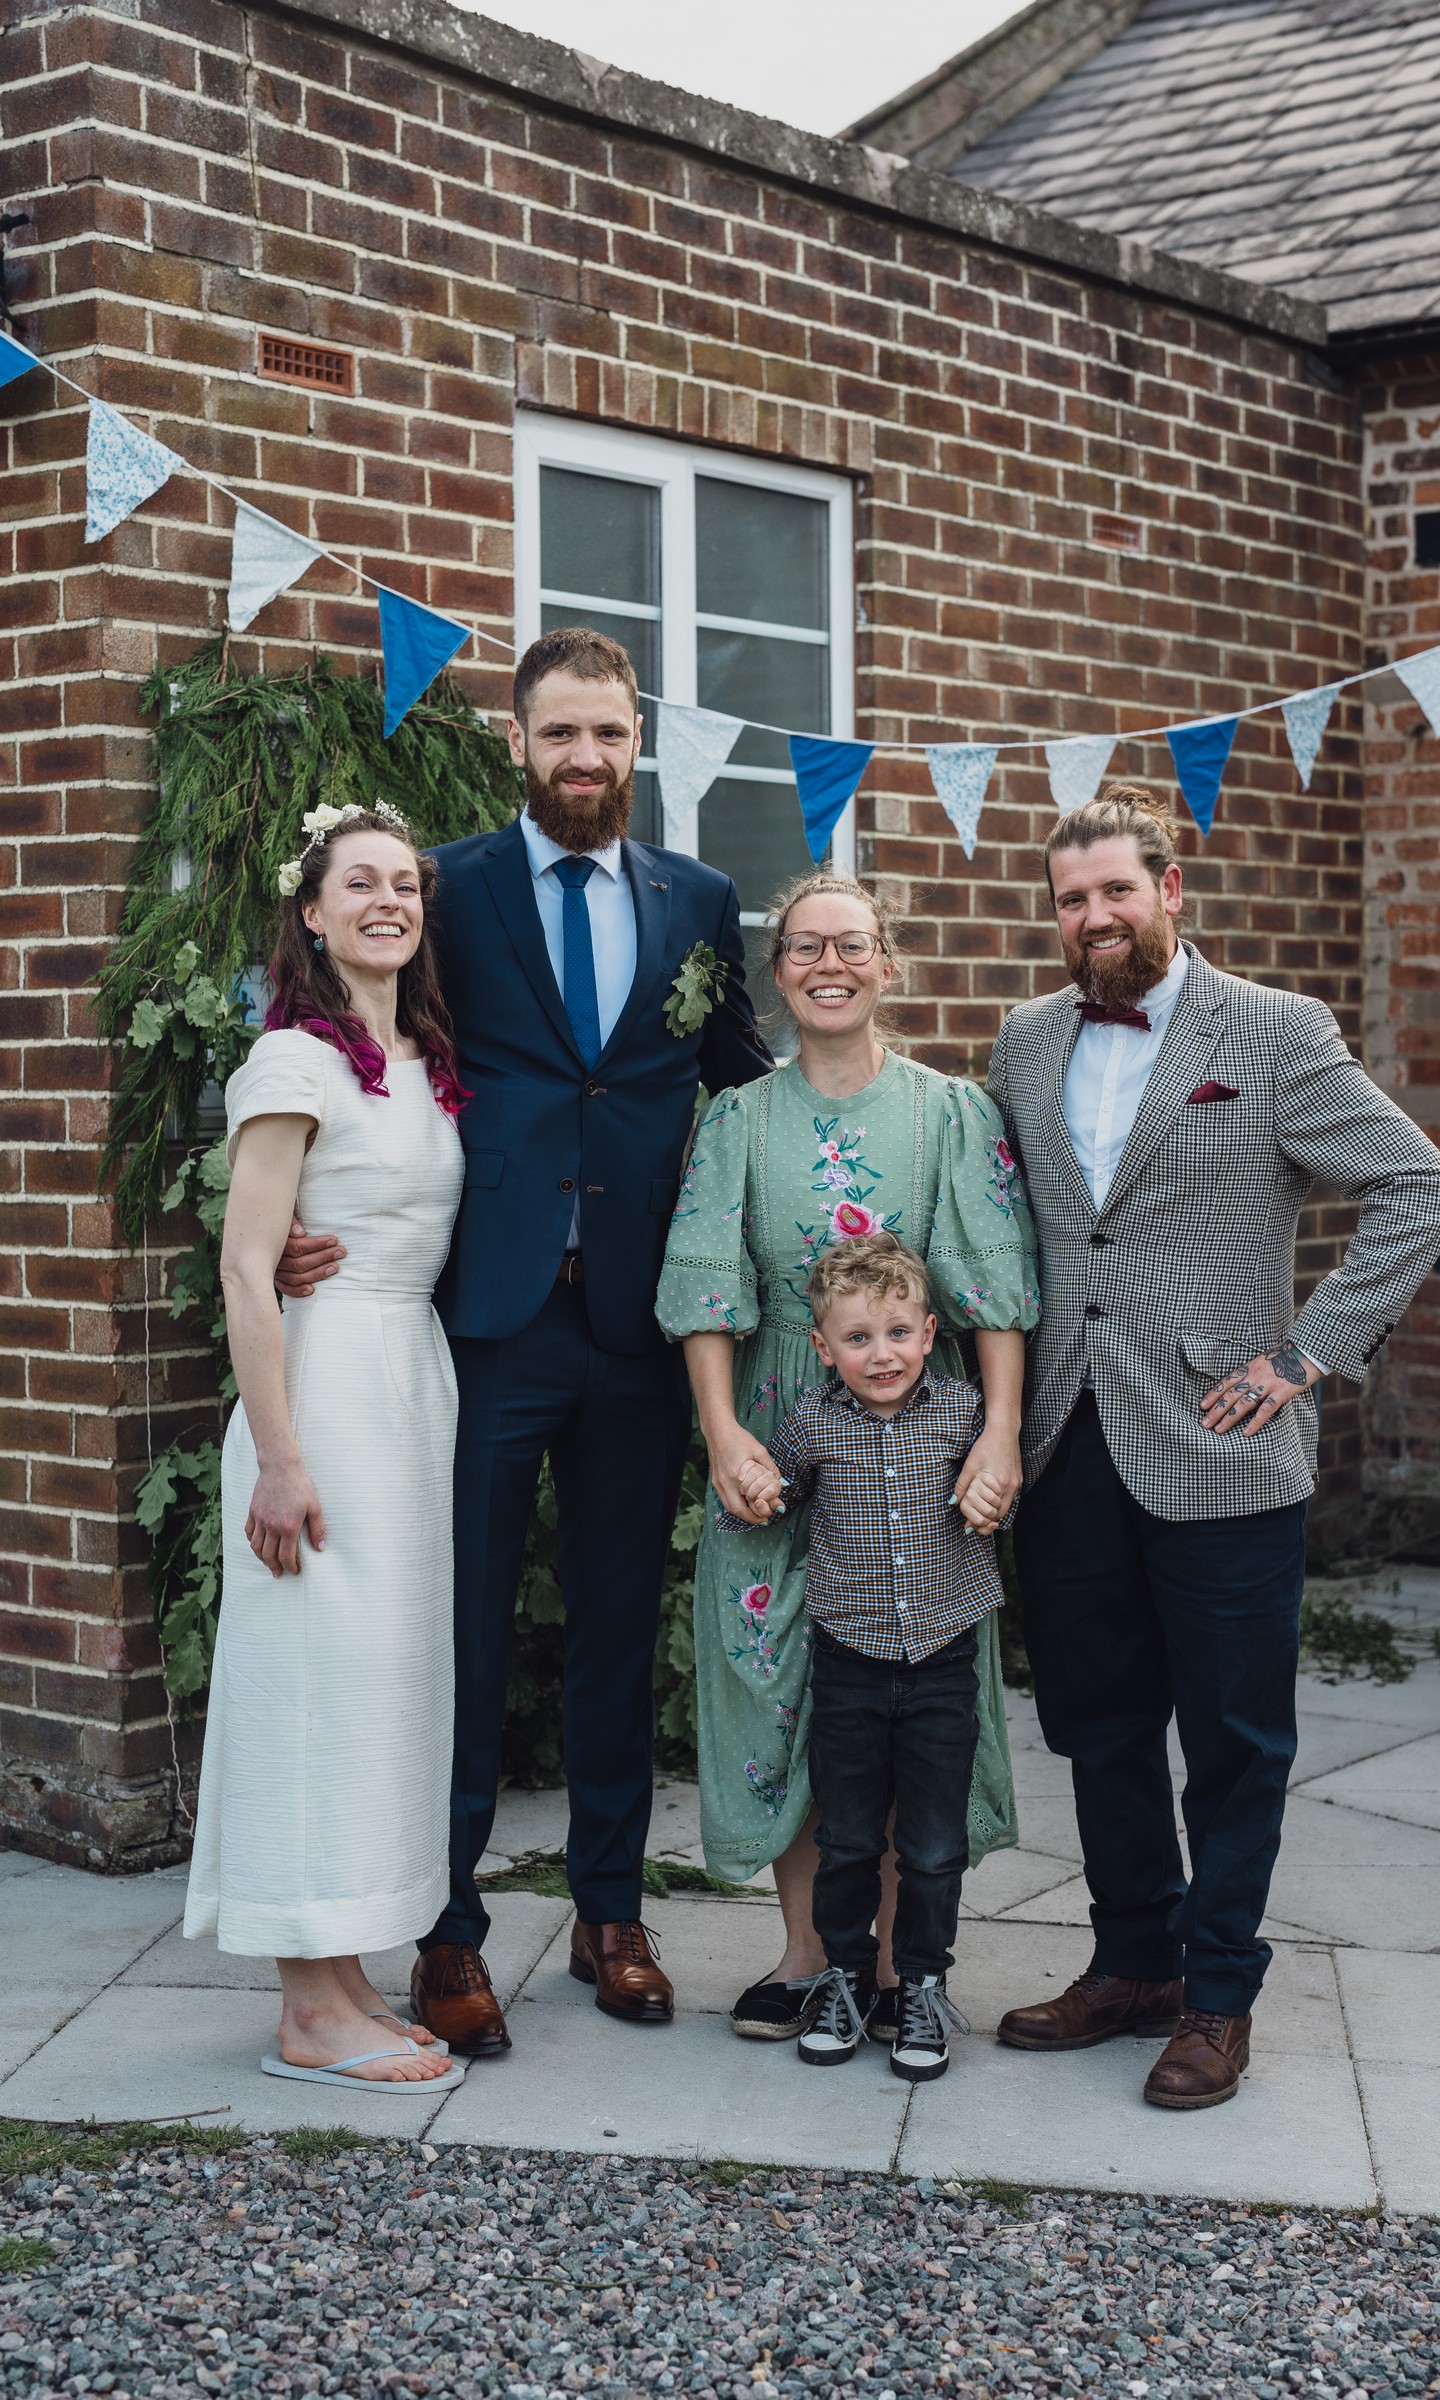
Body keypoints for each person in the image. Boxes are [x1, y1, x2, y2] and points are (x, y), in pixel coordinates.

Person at [277, 628, 771, 2052]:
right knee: (465, 1633)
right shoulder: (447, 886)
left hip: (635, 1327)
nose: (587, 759)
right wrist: (290, 1217)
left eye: (609, 734)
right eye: (561, 734)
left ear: (637, 742)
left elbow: (737, 1078)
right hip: (478, 1319)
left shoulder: (701, 897)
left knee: (618, 1626)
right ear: (518, 742)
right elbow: (342, 1037)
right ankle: (448, 1930)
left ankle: (611, 1914)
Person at [987, 785, 1440, 2108]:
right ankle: (1131, 1960)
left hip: (1221, 1435)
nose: (1092, 917)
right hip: (1068, 1436)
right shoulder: (1023, 1040)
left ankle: (1217, 1995)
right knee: (1098, 1724)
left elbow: (1417, 1186)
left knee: (1236, 1738)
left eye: (1114, 892)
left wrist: (1311, 1352)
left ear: (1170, 889)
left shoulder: (1273, 1031)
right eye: (1071, 898)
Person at [655, 873, 1039, 2042]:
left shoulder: (950, 1114)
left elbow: (995, 1294)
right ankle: (805, 1955)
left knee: (907, 1687)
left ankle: (891, 1965)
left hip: (921, 1451)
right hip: (775, 1433)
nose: (829, 963)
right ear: (777, 976)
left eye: (851, 944)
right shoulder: (737, 1120)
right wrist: (722, 1432)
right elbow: (705, 1291)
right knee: (777, 1683)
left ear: (887, 965)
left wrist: (1003, 1436)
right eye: (803, 946)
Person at [183, 802, 466, 2093]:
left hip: (408, 1385)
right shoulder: (292, 1060)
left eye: (405, 883)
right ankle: (306, 2009)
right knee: (309, 1681)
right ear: (312, 910)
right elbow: (248, 1271)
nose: (388, 901)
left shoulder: (414, 1053)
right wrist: (283, 1460)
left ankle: (346, 1971)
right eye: (360, 883)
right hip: (325, 1391)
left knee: (378, 1684)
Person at [730, 1234, 1014, 2084]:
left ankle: (920, 1985)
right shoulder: (813, 1422)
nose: (880, 1354)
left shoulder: (967, 1414)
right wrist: (757, 1492)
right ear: (823, 1348)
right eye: (857, 1339)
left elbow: (1000, 1486)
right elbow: (771, 1495)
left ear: (929, 1333)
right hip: (849, 1662)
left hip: (940, 1663)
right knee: (849, 1839)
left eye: (896, 1333)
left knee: (931, 1845)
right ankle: (847, 1980)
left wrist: (994, 1503)